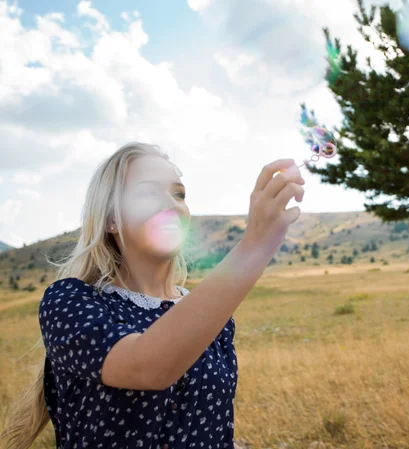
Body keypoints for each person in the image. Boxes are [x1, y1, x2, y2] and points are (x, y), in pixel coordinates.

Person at [0, 142, 305, 449]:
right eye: (147, 193)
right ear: (111, 220)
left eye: (179, 194)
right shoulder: (69, 301)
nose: (172, 205)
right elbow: (147, 367)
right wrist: (254, 245)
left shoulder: (213, 317)